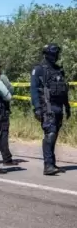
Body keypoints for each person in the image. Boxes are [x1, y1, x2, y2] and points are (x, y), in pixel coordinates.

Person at [30, 43, 71, 176]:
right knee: (50, 134)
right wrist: (37, 108)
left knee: (54, 135)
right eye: (53, 54)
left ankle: (51, 163)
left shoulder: (59, 70)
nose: (55, 56)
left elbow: (64, 90)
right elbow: (34, 90)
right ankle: (47, 166)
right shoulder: (39, 69)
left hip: (59, 107)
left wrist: (67, 106)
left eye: (56, 54)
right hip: (47, 107)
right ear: (47, 54)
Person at [0, 73, 18, 166]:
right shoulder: (2, 77)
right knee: (3, 134)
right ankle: (7, 159)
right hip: (2, 110)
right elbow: (10, 90)